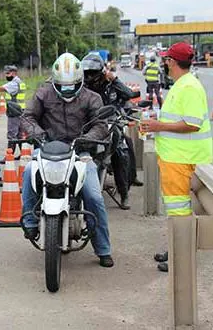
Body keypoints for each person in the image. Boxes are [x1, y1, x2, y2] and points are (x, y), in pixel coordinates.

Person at [20, 53, 114, 268]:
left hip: (80, 152)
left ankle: (103, 248)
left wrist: (86, 140)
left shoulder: (92, 98)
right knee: (27, 174)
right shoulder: (43, 93)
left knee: (93, 195)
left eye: (72, 85)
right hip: (47, 150)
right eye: (62, 85)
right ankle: (30, 221)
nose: (67, 89)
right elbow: (28, 116)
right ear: (54, 81)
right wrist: (37, 134)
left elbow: (101, 124)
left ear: (80, 81)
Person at [141, 42, 212, 273]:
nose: (165, 64)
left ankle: (179, 259)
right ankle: (175, 250)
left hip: (183, 160)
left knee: (179, 212)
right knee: (176, 211)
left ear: (172, 62)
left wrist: (157, 124)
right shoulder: (182, 84)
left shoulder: (188, 87)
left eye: (167, 60)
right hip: (178, 158)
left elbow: (192, 124)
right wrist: (156, 126)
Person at [82, 53, 143, 210]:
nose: (89, 76)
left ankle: (124, 195)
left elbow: (129, 95)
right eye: (86, 73)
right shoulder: (81, 85)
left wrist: (114, 79)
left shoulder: (110, 84)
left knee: (120, 152)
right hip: (90, 123)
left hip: (110, 123)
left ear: (102, 71)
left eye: (92, 73)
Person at [0, 65, 26, 156]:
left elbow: (1, 88)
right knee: (19, 134)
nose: (6, 75)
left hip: (14, 111)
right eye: (6, 74)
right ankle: (23, 154)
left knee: (12, 134)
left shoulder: (14, 83)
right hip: (20, 110)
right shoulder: (19, 82)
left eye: (8, 73)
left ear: (14, 73)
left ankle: (9, 156)